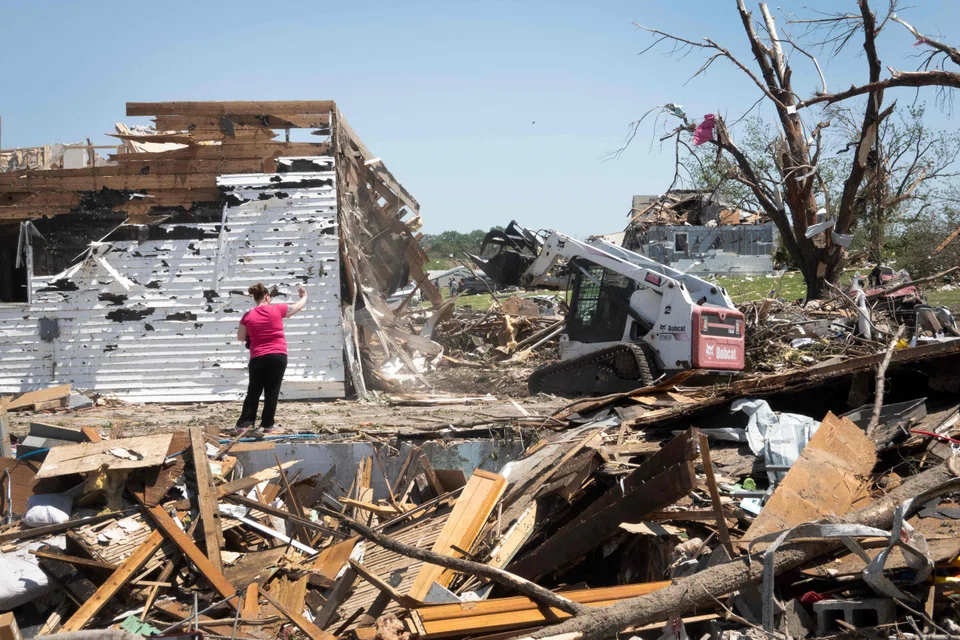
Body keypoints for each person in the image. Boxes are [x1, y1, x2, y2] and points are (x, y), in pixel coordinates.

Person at [235, 282, 307, 433]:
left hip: (258, 357)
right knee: (272, 390)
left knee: (254, 390)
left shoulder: (247, 316)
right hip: (278, 356)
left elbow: (240, 337)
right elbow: (296, 308)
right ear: (267, 297)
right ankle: (267, 425)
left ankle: (244, 425)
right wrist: (304, 296)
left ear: (255, 298)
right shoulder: (277, 308)